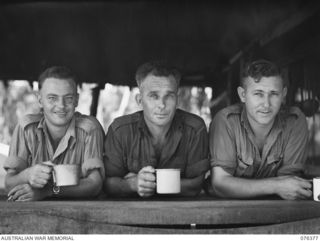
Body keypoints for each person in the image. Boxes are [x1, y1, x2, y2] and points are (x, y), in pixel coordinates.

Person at [209, 59, 312, 200]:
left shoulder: (294, 120)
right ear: (243, 95)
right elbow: (220, 184)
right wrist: (276, 186)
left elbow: (289, 184)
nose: (266, 104)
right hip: (227, 212)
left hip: (278, 212)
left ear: (283, 95)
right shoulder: (226, 121)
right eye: (258, 94)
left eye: (274, 94)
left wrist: (281, 186)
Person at [104, 61, 209, 197]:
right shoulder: (120, 130)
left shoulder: (195, 129)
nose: (161, 105)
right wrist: (133, 184)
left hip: (182, 213)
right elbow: (107, 183)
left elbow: (196, 185)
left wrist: (151, 184)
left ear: (177, 99)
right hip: (129, 214)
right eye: (154, 96)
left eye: (169, 96)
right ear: (139, 100)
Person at [4, 66, 105, 201]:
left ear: (76, 99)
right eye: (52, 98)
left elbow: (95, 184)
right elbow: (8, 183)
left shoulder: (90, 129)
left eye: (68, 98)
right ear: (40, 100)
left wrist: (49, 191)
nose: (61, 105)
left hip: (82, 214)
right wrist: (27, 175)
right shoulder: (26, 128)